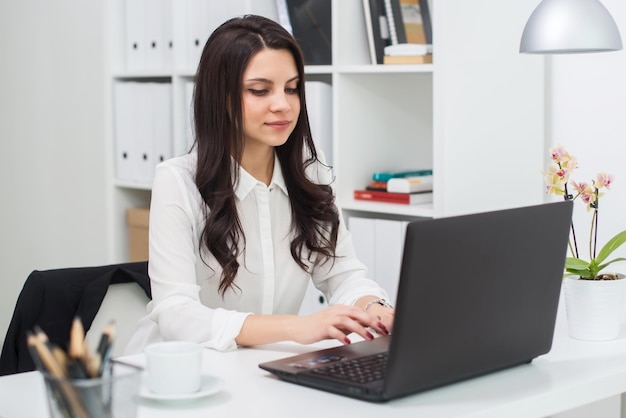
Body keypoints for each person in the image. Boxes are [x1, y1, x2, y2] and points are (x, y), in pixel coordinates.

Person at [125, 14, 394, 354]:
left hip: (261, 369)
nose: (283, 104)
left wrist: (375, 309)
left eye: (292, 88)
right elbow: (176, 315)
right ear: (220, 97)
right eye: (259, 90)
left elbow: (343, 274)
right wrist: (298, 327)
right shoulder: (178, 181)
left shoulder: (312, 173)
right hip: (183, 371)